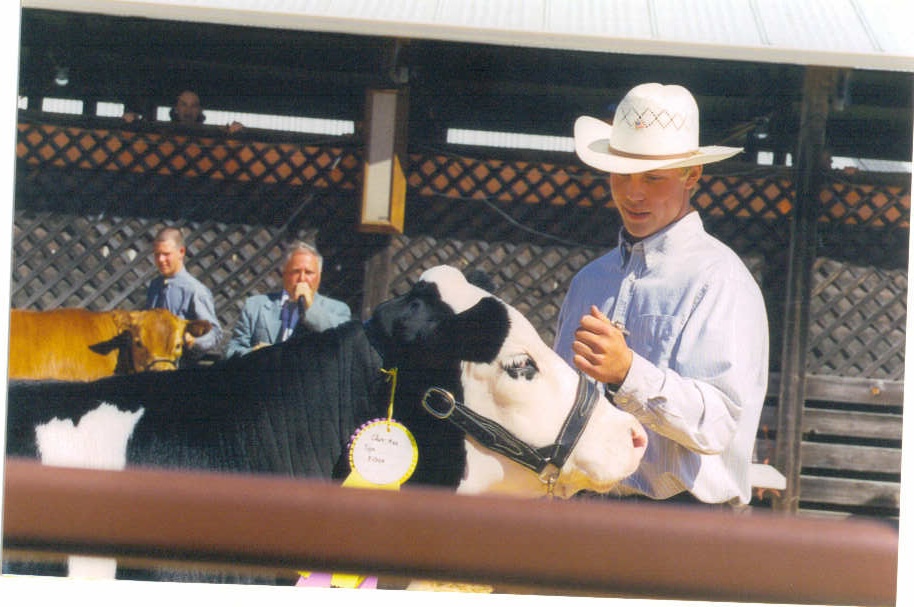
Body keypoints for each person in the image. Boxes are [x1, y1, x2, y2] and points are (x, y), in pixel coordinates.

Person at [553, 83, 769, 507]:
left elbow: (718, 422)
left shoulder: (721, 280)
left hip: (684, 527)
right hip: (585, 512)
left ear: (693, 175)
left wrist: (628, 372)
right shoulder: (589, 281)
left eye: (653, 178)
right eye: (622, 173)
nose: (634, 193)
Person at [225, 241, 352, 358]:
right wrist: (256, 354)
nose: (302, 278)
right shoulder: (255, 305)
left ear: (319, 276)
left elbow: (341, 342)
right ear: (284, 273)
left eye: (308, 273)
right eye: (296, 271)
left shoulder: (338, 310)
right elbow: (231, 351)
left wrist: (310, 308)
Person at [145, 226, 224, 360]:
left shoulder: (195, 290)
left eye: (166, 254)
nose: (161, 260)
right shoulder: (155, 286)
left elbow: (215, 333)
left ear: (181, 252)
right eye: (157, 254)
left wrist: (194, 341)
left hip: (181, 367)